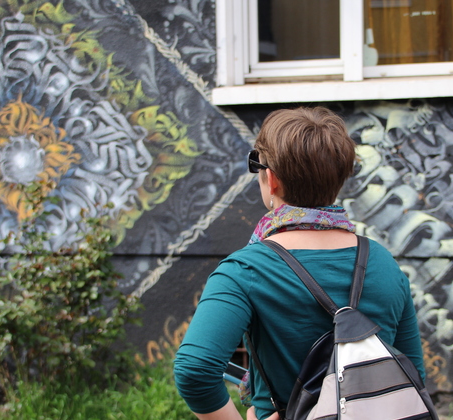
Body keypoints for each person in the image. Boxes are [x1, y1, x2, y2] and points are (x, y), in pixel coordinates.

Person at [173, 107, 426, 420]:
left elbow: (195, 371)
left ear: (271, 179)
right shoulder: (384, 263)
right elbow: (413, 375)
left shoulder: (245, 271)